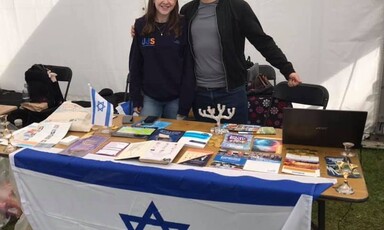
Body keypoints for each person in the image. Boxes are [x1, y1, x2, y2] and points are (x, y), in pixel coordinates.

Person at [180, 0, 301, 124]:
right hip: (200, 94)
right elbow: (178, 49)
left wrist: (287, 69)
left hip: (231, 93)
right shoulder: (187, 10)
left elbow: (262, 41)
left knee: (235, 140)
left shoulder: (237, 7)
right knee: (205, 140)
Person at [129, 0, 195, 119]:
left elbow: (188, 66)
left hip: (177, 98)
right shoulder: (140, 25)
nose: (166, 2)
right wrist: (136, 99)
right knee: (145, 135)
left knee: (175, 136)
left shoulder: (184, 24)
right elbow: (135, 64)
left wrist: (185, 104)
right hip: (150, 98)